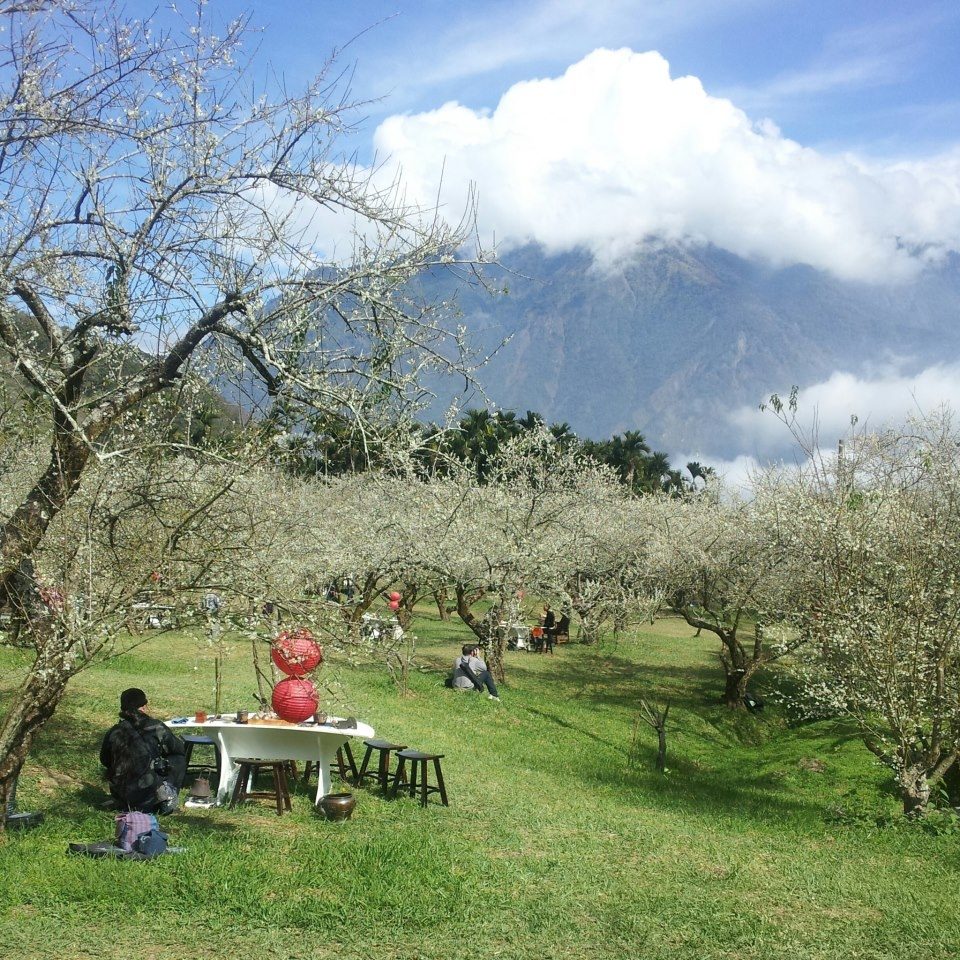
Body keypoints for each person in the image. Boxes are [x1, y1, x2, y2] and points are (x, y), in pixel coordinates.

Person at [99, 688, 186, 814]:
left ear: (123, 709)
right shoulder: (155, 727)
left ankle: (124, 802)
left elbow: (104, 760)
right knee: (178, 758)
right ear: (144, 707)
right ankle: (167, 799)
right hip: (148, 797)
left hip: (122, 794)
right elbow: (178, 748)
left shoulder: (114, 731)